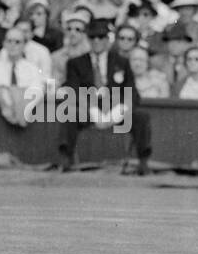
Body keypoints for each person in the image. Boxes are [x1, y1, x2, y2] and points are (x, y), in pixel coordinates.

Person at [56, 17, 153, 174]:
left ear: (108, 39)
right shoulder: (76, 63)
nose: (96, 41)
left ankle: (143, 162)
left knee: (141, 116)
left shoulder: (121, 61)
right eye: (92, 37)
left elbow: (132, 91)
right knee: (68, 113)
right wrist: (91, 110)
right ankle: (65, 160)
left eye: (101, 37)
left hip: (115, 107)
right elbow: (73, 90)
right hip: (88, 109)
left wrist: (120, 109)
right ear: (88, 39)